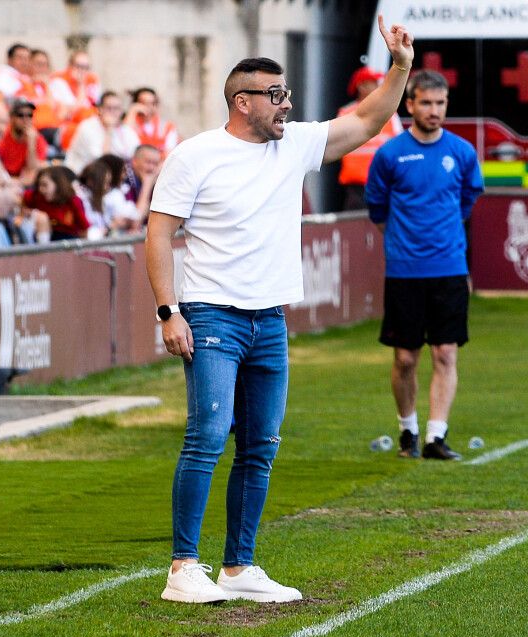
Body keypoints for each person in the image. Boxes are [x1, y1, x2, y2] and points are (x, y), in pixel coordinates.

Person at [145, 16, 414, 604]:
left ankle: (239, 568)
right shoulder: (196, 155)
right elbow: (158, 235)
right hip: (211, 313)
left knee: (261, 444)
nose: (287, 104)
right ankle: (182, 568)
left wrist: (400, 68)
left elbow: (368, 119)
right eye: (276, 95)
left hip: (269, 318)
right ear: (242, 103)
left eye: (286, 92)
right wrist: (170, 312)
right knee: (208, 435)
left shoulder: (293, 145)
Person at [364, 70, 483, 461]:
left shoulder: (462, 153)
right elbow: (378, 210)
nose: (434, 111)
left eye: (441, 103)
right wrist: (405, 240)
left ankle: (436, 436)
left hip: (449, 269)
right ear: (410, 105)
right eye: (427, 103)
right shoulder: (390, 155)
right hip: (404, 271)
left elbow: (466, 202)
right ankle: (408, 430)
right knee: (405, 358)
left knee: (446, 353)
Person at [338, 66, 404, 210]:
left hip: (384, 183)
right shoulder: (346, 113)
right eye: (372, 82)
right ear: (361, 86)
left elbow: (401, 146)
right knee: (356, 226)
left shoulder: (390, 113)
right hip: (357, 187)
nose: (377, 86)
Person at [63, 90, 138, 174]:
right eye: (109, 108)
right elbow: (102, 161)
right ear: (100, 109)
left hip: (110, 177)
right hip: (81, 175)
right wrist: (109, 130)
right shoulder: (87, 126)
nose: (113, 112)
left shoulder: (125, 129)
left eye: (117, 108)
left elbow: (135, 155)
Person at [23, 166, 85, 241]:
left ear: (58, 184)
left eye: (45, 185)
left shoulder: (73, 200)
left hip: (69, 239)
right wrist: (24, 212)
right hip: (46, 237)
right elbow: (22, 198)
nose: (41, 189)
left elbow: (84, 226)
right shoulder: (37, 197)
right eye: (39, 185)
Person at [0, 98, 45, 185]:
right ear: (11, 117)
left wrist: (31, 143)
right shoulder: (2, 135)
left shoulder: (37, 139)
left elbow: (32, 168)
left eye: (29, 115)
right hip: (3, 177)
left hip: (24, 180)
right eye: (20, 115)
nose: (25, 119)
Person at [126, 87, 178, 156]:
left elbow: (169, 153)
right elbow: (125, 138)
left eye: (153, 103)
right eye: (144, 103)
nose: (149, 107)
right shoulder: (131, 122)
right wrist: (132, 111)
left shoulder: (167, 126)